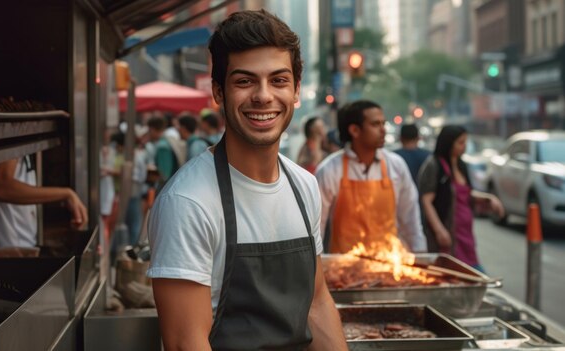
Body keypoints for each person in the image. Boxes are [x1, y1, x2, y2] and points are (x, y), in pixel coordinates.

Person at [147, 9, 347, 350]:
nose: (263, 96)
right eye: (244, 81)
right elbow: (185, 342)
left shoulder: (304, 186)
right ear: (219, 92)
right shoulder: (188, 202)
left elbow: (316, 304)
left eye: (279, 80)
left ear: (296, 90)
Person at [315, 99, 426, 254]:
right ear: (355, 130)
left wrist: (419, 252)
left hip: (389, 266)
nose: (383, 130)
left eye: (383, 123)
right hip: (344, 270)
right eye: (375, 124)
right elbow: (316, 226)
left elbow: (410, 216)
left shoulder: (396, 166)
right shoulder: (329, 170)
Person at [418, 125, 504, 271]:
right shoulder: (434, 165)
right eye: (460, 142)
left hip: (465, 233)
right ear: (448, 143)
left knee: (470, 268)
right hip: (448, 232)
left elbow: (466, 192)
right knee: (453, 273)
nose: (464, 147)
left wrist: (489, 199)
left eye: (465, 142)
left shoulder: (461, 165)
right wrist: (439, 230)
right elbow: (427, 201)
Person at [0, 155, 88, 254]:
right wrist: (66, 194)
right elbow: (0, 186)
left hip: (23, 248)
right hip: (7, 251)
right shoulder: (11, 133)